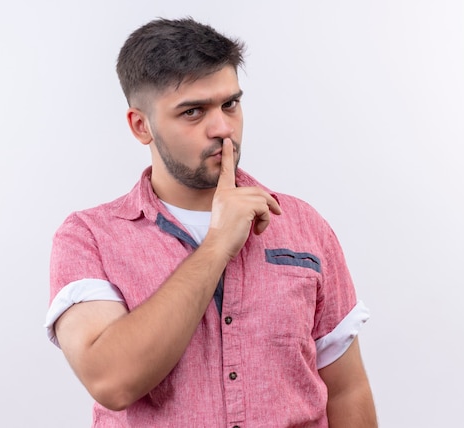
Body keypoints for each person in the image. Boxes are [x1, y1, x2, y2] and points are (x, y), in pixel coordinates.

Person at [45, 17, 377, 427]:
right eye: (193, 112)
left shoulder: (303, 225)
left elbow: (346, 389)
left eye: (230, 104)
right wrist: (218, 244)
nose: (222, 128)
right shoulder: (90, 238)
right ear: (141, 125)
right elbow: (113, 381)